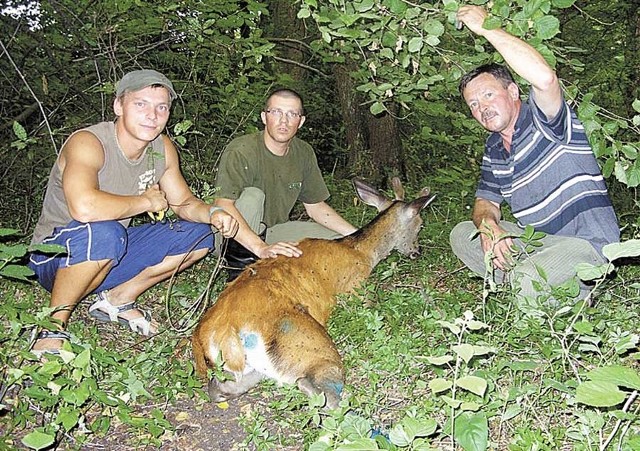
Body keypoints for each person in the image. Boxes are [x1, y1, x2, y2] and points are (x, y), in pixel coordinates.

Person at [28, 69, 239, 356]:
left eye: (161, 107)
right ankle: (53, 325)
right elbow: (84, 207)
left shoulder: (161, 148)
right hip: (55, 256)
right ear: (118, 106)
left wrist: (212, 214)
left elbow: (183, 203)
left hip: (108, 251)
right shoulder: (89, 142)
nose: (152, 115)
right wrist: (145, 202)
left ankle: (118, 299)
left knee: (198, 235)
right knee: (107, 233)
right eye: (141, 104)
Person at [449, 6, 619, 301]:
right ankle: (541, 283)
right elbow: (485, 201)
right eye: (473, 104)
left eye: (488, 95)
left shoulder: (545, 119)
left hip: (587, 244)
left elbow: (545, 79)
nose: (482, 107)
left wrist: (486, 28)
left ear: (514, 92)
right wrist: (489, 225)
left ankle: (554, 286)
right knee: (463, 234)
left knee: (528, 279)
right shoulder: (493, 149)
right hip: (539, 242)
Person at [213, 88, 357, 280]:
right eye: (277, 112)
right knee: (252, 197)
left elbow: (315, 207)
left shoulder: (303, 152)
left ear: (301, 121)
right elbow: (223, 204)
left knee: (335, 241)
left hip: (273, 231)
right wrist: (261, 248)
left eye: (292, 114)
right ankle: (240, 272)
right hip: (230, 238)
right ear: (264, 117)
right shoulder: (241, 150)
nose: (284, 121)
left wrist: (358, 235)